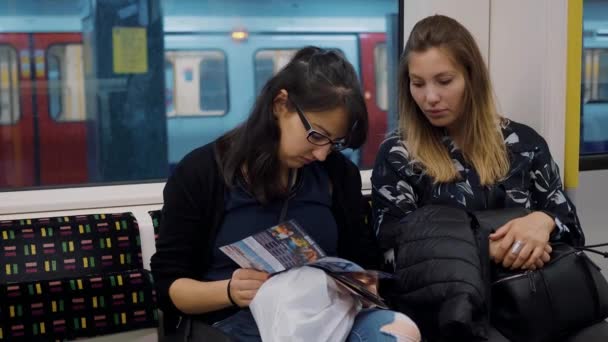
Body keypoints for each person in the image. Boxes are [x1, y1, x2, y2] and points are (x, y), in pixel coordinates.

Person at [151, 46, 421, 342]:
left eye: (334, 142)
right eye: (316, 135)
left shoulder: (336, 173)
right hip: (234, 321)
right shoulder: (201, 172)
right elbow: (169, 287)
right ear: (281, 105)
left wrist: (362, 284)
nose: (321, 154)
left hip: (324, 316)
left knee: (399, 331)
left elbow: (362, 257)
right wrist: (230, 291)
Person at [371, 15, 585, 341]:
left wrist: (543, 223)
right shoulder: (399, 154)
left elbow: (573, 231)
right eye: (418, 83)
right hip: (447, 317)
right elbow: (395, 256)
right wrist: (488, 247)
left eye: (444, 81)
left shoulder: (524, 144)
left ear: (472, 78)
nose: (430, 97)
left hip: (533, 305)